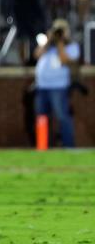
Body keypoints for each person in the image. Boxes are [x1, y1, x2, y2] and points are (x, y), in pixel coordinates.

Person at [34, 19, 80, 148]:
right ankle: (42, 146)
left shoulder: (72, 46)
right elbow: (37, 54)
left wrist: (60, 42)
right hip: (42, 86)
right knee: (41, 118)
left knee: (62, 117)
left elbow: (64, 59)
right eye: (57, 30)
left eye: (61, 30)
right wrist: (49, 39)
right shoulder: (48, 46)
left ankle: (69, 146)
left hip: (58, 87)